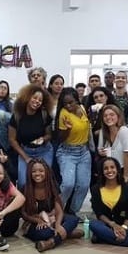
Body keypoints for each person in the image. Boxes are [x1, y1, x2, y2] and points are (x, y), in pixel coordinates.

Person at [89, 157, 128, 248]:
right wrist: (113, 224)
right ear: (101, 171)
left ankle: (103, 238)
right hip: (107, 225)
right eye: (106, 168)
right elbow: (99, 213)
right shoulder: (95, 189)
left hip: (125, 225)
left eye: (112, 167)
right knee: (93, 224)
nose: (109, 170)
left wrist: (123, 228)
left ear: (117, 169)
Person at [22, 159, 81, 252]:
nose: (37, 174)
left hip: (52, 219)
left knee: (74, 219)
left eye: (41, 171)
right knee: (45, 234)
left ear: (46, 172)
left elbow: (59, 210)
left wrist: (57, 224)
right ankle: (67, 233)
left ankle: (50, 243)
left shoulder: (52, 185)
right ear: (30, 173)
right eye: (34, 171)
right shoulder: (25, 188)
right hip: (34, 222)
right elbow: (24, 214)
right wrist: (38, 220)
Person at [8, 84, 54, 189]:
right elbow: (12, 140)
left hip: (44, 151)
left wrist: (43, 139)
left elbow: (49, 135)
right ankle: (24, 204)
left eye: (40, 100)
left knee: (44, 181)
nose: (37, 101)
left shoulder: (44, 114)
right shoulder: (17, 116)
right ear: (27, 97)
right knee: (23, 183)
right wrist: (26, 157)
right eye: (34, 98)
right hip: (25, 151)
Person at [54, 87, 91, 215]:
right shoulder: (64, 113)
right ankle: (57, 212)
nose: (68, 106)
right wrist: (68, 129)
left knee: (83, 185)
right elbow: (60, 138)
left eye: (71, 102)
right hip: (67, 152)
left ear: (77, 100)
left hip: (84, 152)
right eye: (65, 103)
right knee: (68, 184)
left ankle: (72, 212)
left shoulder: (83, 109)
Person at [96, 105, 128, 183]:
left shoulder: (123, 130)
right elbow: (100, 149)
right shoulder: (103, 132)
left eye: (112, 115)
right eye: (105, 116)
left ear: (118, 117)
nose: (108, 117)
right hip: (113, 169)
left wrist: (125, 176)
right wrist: (101, 152)